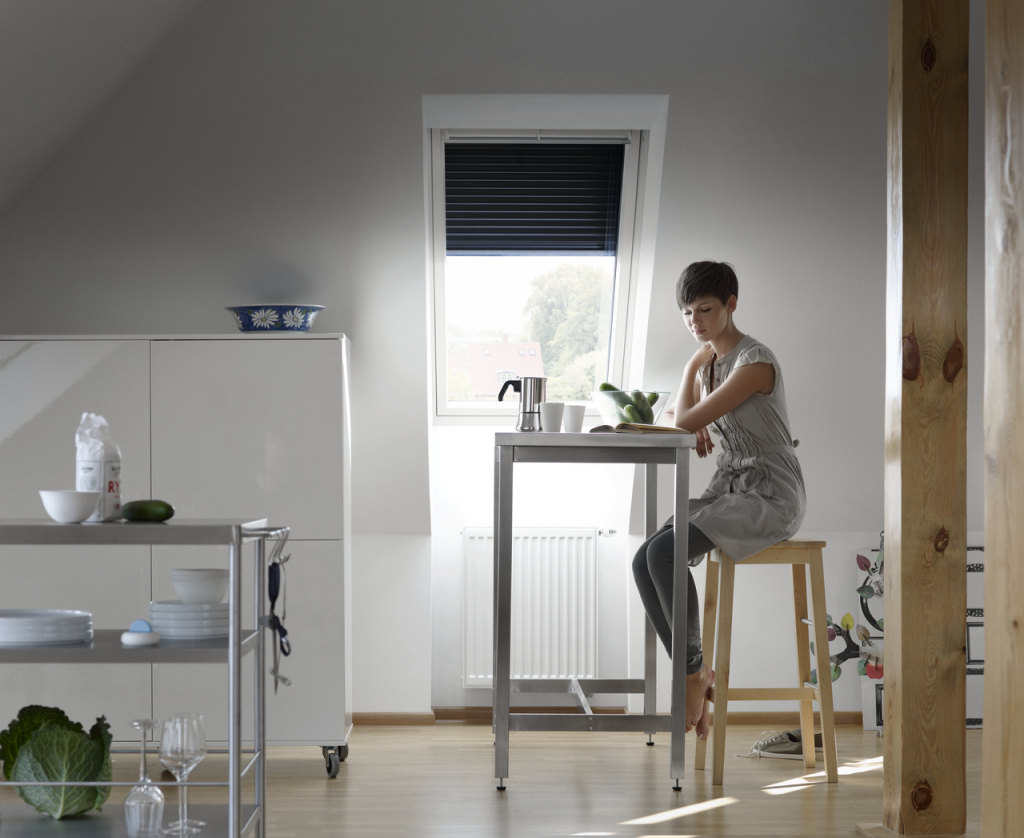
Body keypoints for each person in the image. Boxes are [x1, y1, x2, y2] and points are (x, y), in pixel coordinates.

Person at [632, 260, 806, 739]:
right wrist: (695, 366)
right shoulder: (710, 366)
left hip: (770, 493)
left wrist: (693, 384)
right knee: (644, 558)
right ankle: (692, 674)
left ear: (731, 304)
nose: (696, 322)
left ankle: (690, 677)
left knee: (666, 551)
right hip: (729, 486)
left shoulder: (755, 363)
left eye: (705, 310)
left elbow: (682, 423)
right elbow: (682, 416)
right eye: (687, 314)